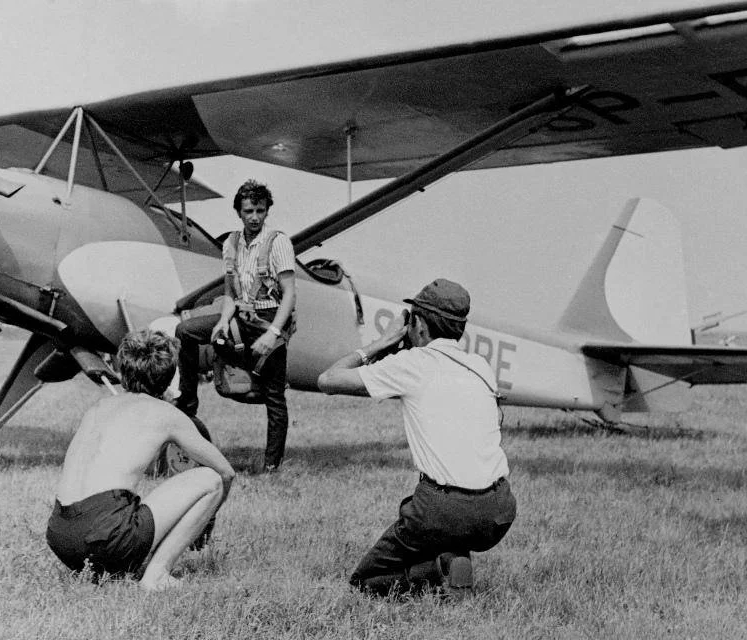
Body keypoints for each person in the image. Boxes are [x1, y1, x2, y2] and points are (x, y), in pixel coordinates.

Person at [317, 278, 515, 599]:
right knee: (446, 523)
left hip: (444, 508)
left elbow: (328, 379)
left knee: (365, 583)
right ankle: (452, 556)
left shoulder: (413, 363)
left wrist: (381, 343)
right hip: (498, 509)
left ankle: (442, 569)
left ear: (419, 325)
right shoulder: (480, 366)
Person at [46, 329, 236, 591]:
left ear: (123, 371)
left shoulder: (98, 408)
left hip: (60, 536)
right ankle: (157, 575)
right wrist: (204, 523)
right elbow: (226, 472)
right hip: (105, 537)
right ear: (170, 375)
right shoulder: (167, 414)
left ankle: (110, 565)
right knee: (211, 479)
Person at [175, 180, 297, 472]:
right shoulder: (231, 244)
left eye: (259, 210)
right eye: (248, 211)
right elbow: (230, 294)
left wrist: (273, 333)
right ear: (239, 213)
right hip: (239, 317)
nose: (254, 217)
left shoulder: (278, 242)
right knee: (185, 331)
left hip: (269, 320)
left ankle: (271, 467)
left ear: (267, 211)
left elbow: (290, 294)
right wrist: (221, 321)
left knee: (274, 398)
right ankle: (187, 405)